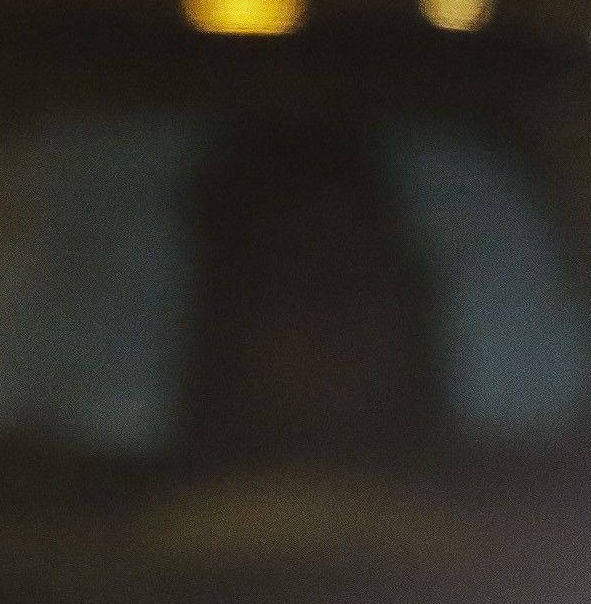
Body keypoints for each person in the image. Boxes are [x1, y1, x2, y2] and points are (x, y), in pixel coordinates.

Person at [175, 127, 448, 468]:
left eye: (362, 278)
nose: (336, 322)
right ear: (227, 324)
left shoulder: (492, 508)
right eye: (296, 283)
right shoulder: (154, 517)